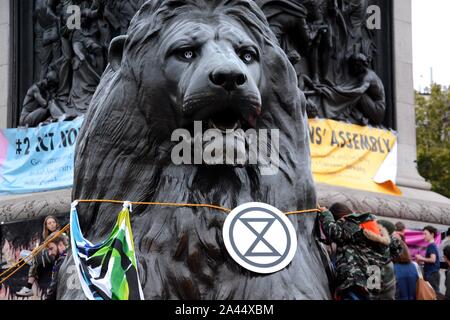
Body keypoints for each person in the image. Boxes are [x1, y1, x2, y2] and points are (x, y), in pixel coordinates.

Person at [319, 203, 402, 300]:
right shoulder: (372, 226)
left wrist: (326, 214)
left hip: (356, 280)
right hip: (373, 280)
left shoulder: (352, 223)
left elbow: (332, 231)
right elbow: (396, 248)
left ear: (339, 217)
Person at [16, 216, 61, 297]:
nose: (52, 225)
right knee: (24, 253)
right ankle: (29, 262)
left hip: (54, 255)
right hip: (46, 255)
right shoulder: (47, 236)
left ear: (56, 223)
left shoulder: (58, 233)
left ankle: (28, 287)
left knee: (34, 259)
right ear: (46, 226)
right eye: (49, 223)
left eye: (53, 222)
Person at [415, 226, 441, 293]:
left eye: (425, 234)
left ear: (432, 234)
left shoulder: (431, 245)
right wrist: (422, 261)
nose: (424, 236)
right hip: (432, 274)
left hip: (432, 274)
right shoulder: (432, 245)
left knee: (432, 294)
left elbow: (433, 260)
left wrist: (421, 258)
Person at [45, 232, 69, 300]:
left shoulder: (61, 261)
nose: (49, 253)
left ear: (60, 244)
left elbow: (53, 289)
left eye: (51, 248)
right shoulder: (72, 256)